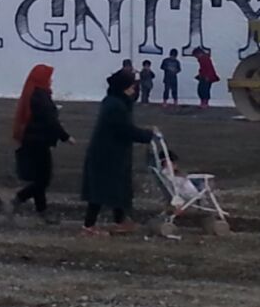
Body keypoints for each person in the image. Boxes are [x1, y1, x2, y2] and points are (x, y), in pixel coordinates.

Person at [80, 70, 155, 236]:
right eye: (132, 86)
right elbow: (125, 130)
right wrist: (147, 135)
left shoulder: (114, 101)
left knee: (117, 187)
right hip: (106, 155)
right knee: (101, 191)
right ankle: (89, 226)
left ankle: (119, 220)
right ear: (125, 87)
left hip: (111, 153)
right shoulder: (116, 106)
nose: (135, 89)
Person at [8, 64, 70, 221]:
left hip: (34, 141)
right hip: (38, 142)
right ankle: (20, 199)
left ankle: (41, 211)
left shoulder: (35, 93)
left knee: (40, 179)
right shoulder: (40, 96)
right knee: (43, 179)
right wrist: (65, 137)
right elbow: (50, 120)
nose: (51, 80)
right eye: (49, 77)